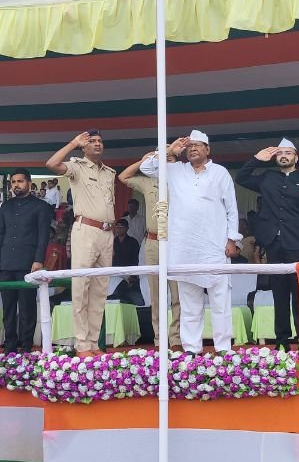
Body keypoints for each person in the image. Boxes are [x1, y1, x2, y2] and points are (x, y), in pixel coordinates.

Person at [159, 131, 240, 354]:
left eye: (198, 145)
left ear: (208, 150)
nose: (193, 148)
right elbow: (148, 168)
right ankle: (192, 349)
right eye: (190, 146)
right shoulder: (175, 170)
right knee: (190, 305)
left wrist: (232, 238)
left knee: (220, 303)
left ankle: (223, 349)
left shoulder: (220, 173)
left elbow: (231, 208)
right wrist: (168, 151)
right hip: (185, 249)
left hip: (215, 247)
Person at [235, 138, 299, 349]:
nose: (284, 156)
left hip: (298, 244)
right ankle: (282, 341)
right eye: (280, 153)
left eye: (288, 153)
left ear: (296, 158)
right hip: (274, 244)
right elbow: (241, 178)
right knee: (279, 295)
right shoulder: (267, 178)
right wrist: (256, 159)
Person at [45, 130, 116, 356]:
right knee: (80, 288)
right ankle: (82, 343)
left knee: (100, 290)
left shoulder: (110, 172)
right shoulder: (77, 166)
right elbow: (51, 164)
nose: (97, 144)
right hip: (85, 229)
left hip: (107, 232)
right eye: (91, 142)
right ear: (83, 148)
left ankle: (94, 343)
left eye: (99, 141)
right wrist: (73, 142)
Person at [118, 151, 181, 348]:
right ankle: (159, 339)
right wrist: (143, 159)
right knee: (157, 294)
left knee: (178, 295)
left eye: (170, 158)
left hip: (176, 242)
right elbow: (123, 177)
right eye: (163, 158)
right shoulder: (149, 181)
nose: (166, 162)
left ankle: (176, 338)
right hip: (153, 243)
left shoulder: (183, 182)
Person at [0, 169, 51, 353]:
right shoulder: (5, 206)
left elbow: (43, 236)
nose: (16, 185)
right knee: (8, 309)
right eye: (13, 182)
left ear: (29, 183)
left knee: (27, 307)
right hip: (5, 264)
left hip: (28, 264)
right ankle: (10, 347)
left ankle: (26, 347)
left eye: (20, 181)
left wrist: (38, 260)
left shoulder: (41, 207)